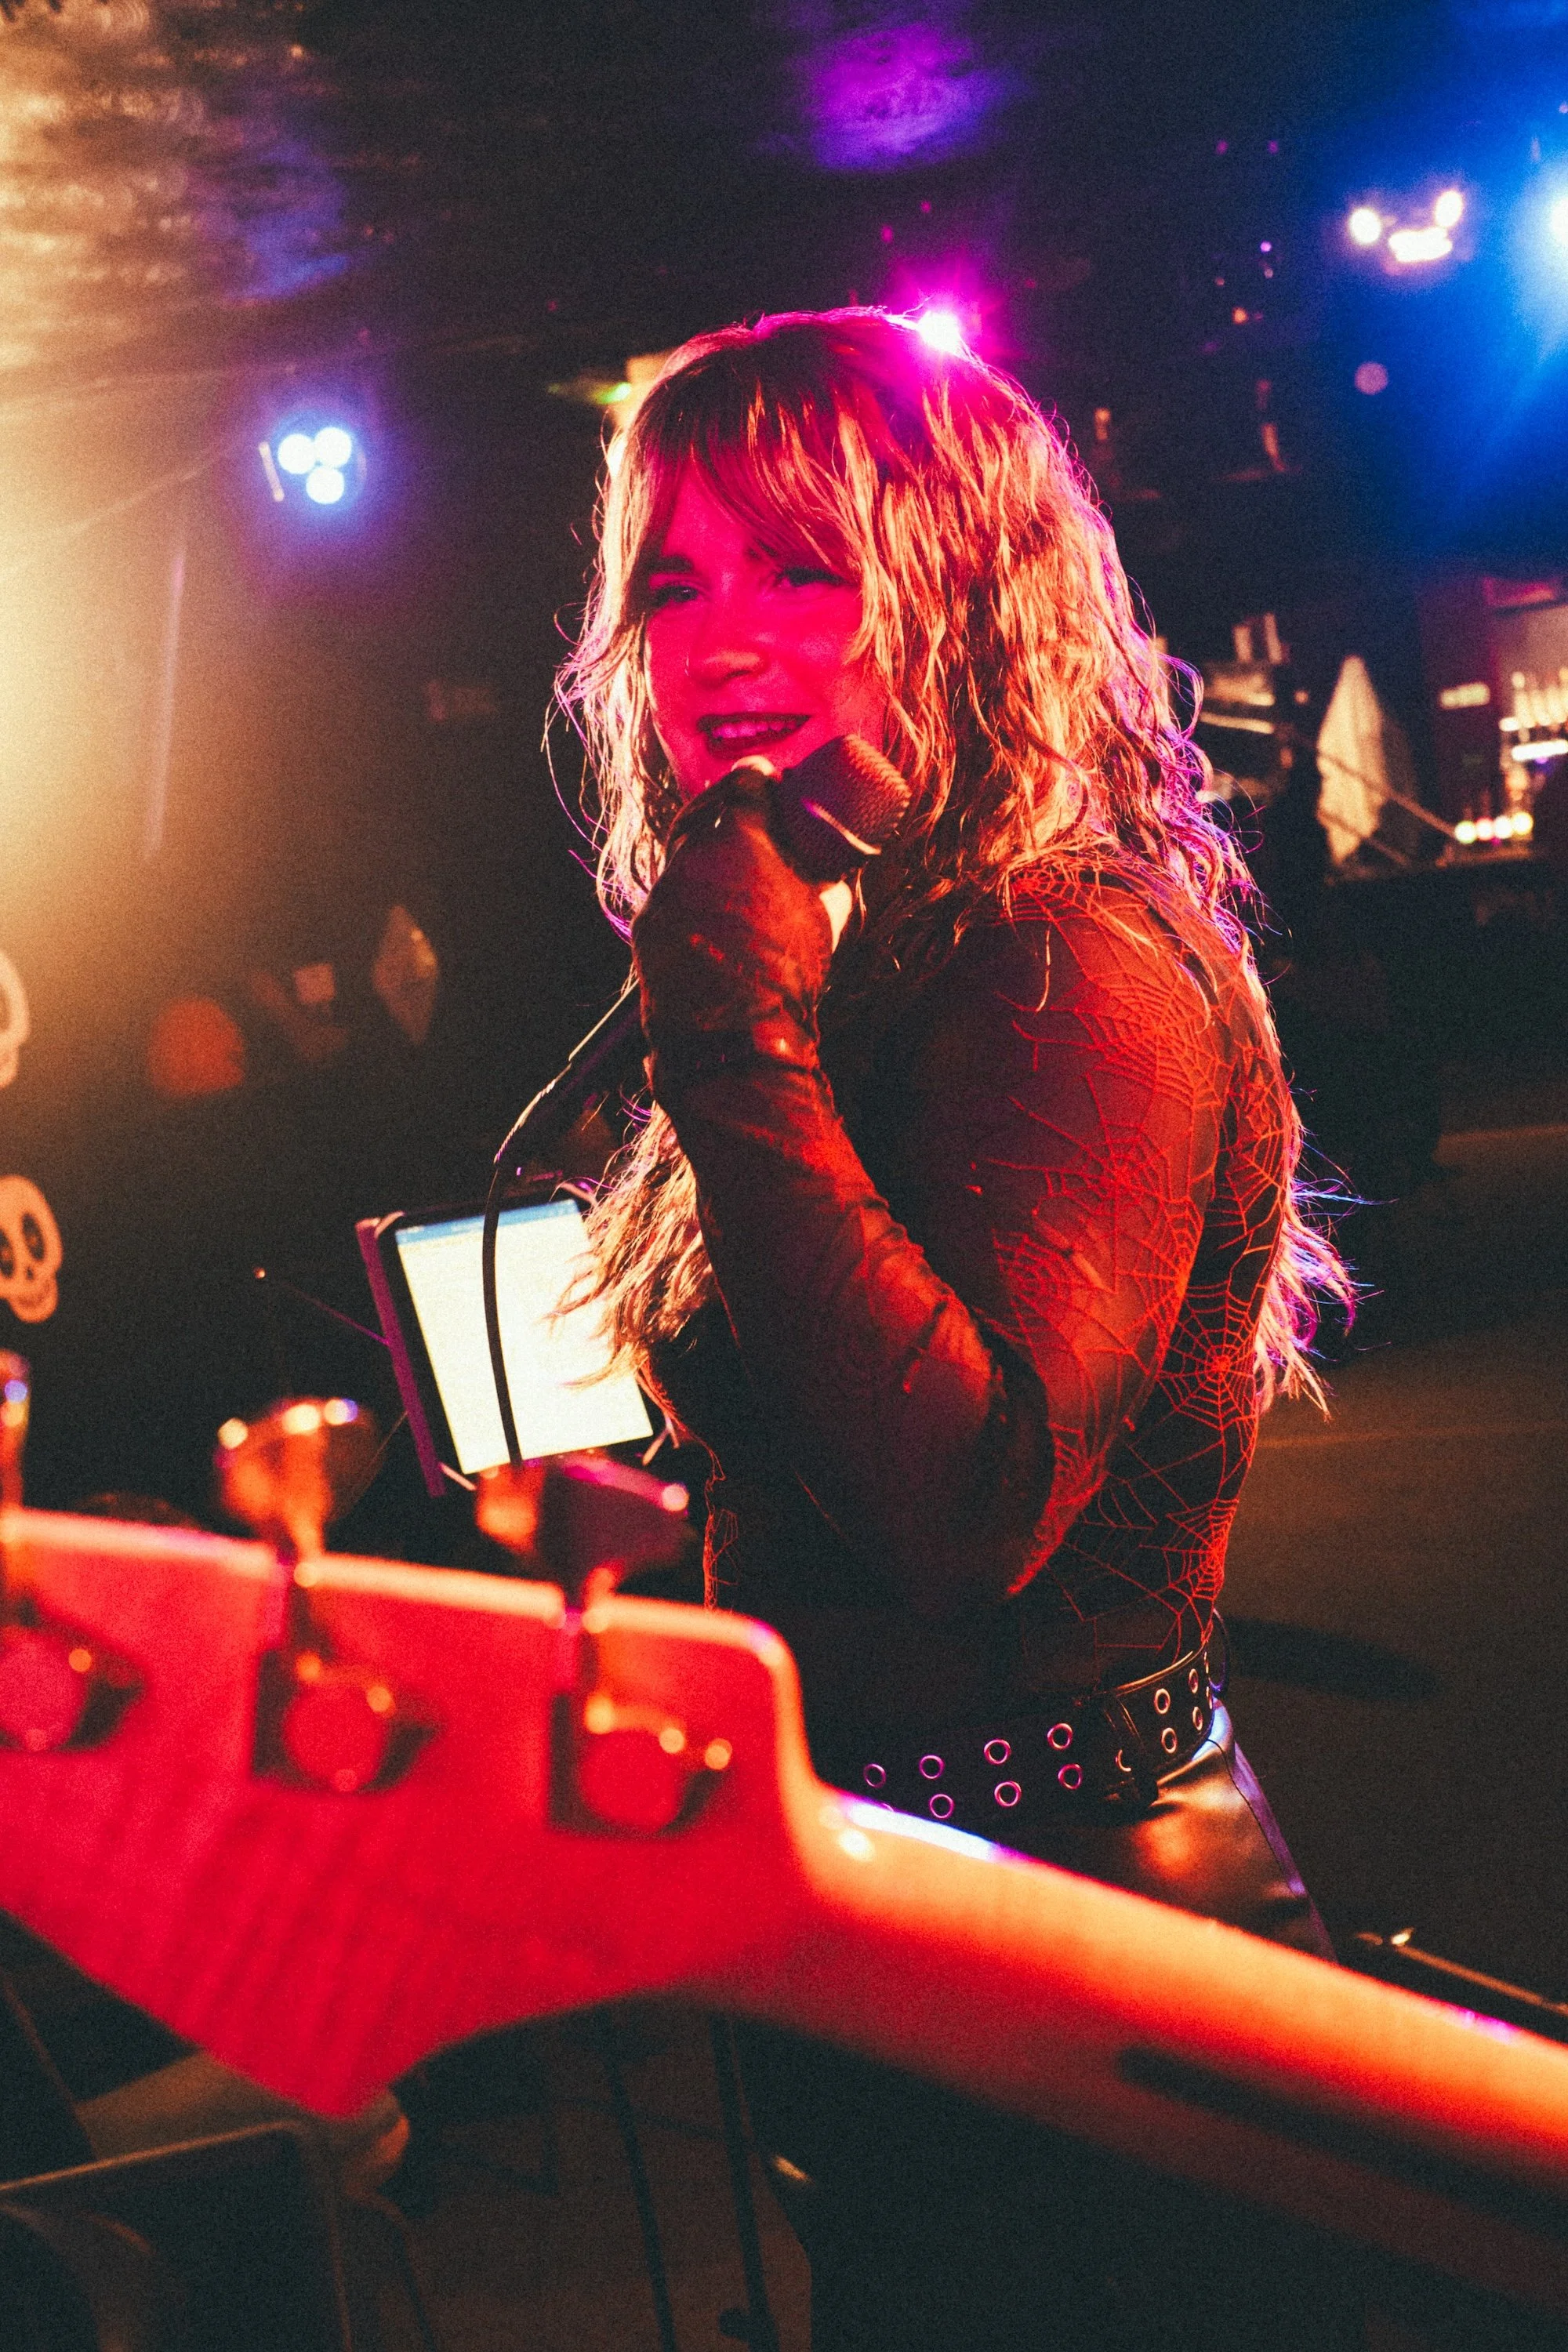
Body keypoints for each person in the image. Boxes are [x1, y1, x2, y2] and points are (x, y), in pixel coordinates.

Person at [561, 310, 1356, 2350]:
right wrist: (676, 1551)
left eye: (807, 565)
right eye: (675, 581)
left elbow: (973, 1513)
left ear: (974, 595)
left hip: (1085, 1976)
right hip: (924, 1925)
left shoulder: (1061, 951)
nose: (722, 636)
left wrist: (727, 1034)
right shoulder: (885, 935)